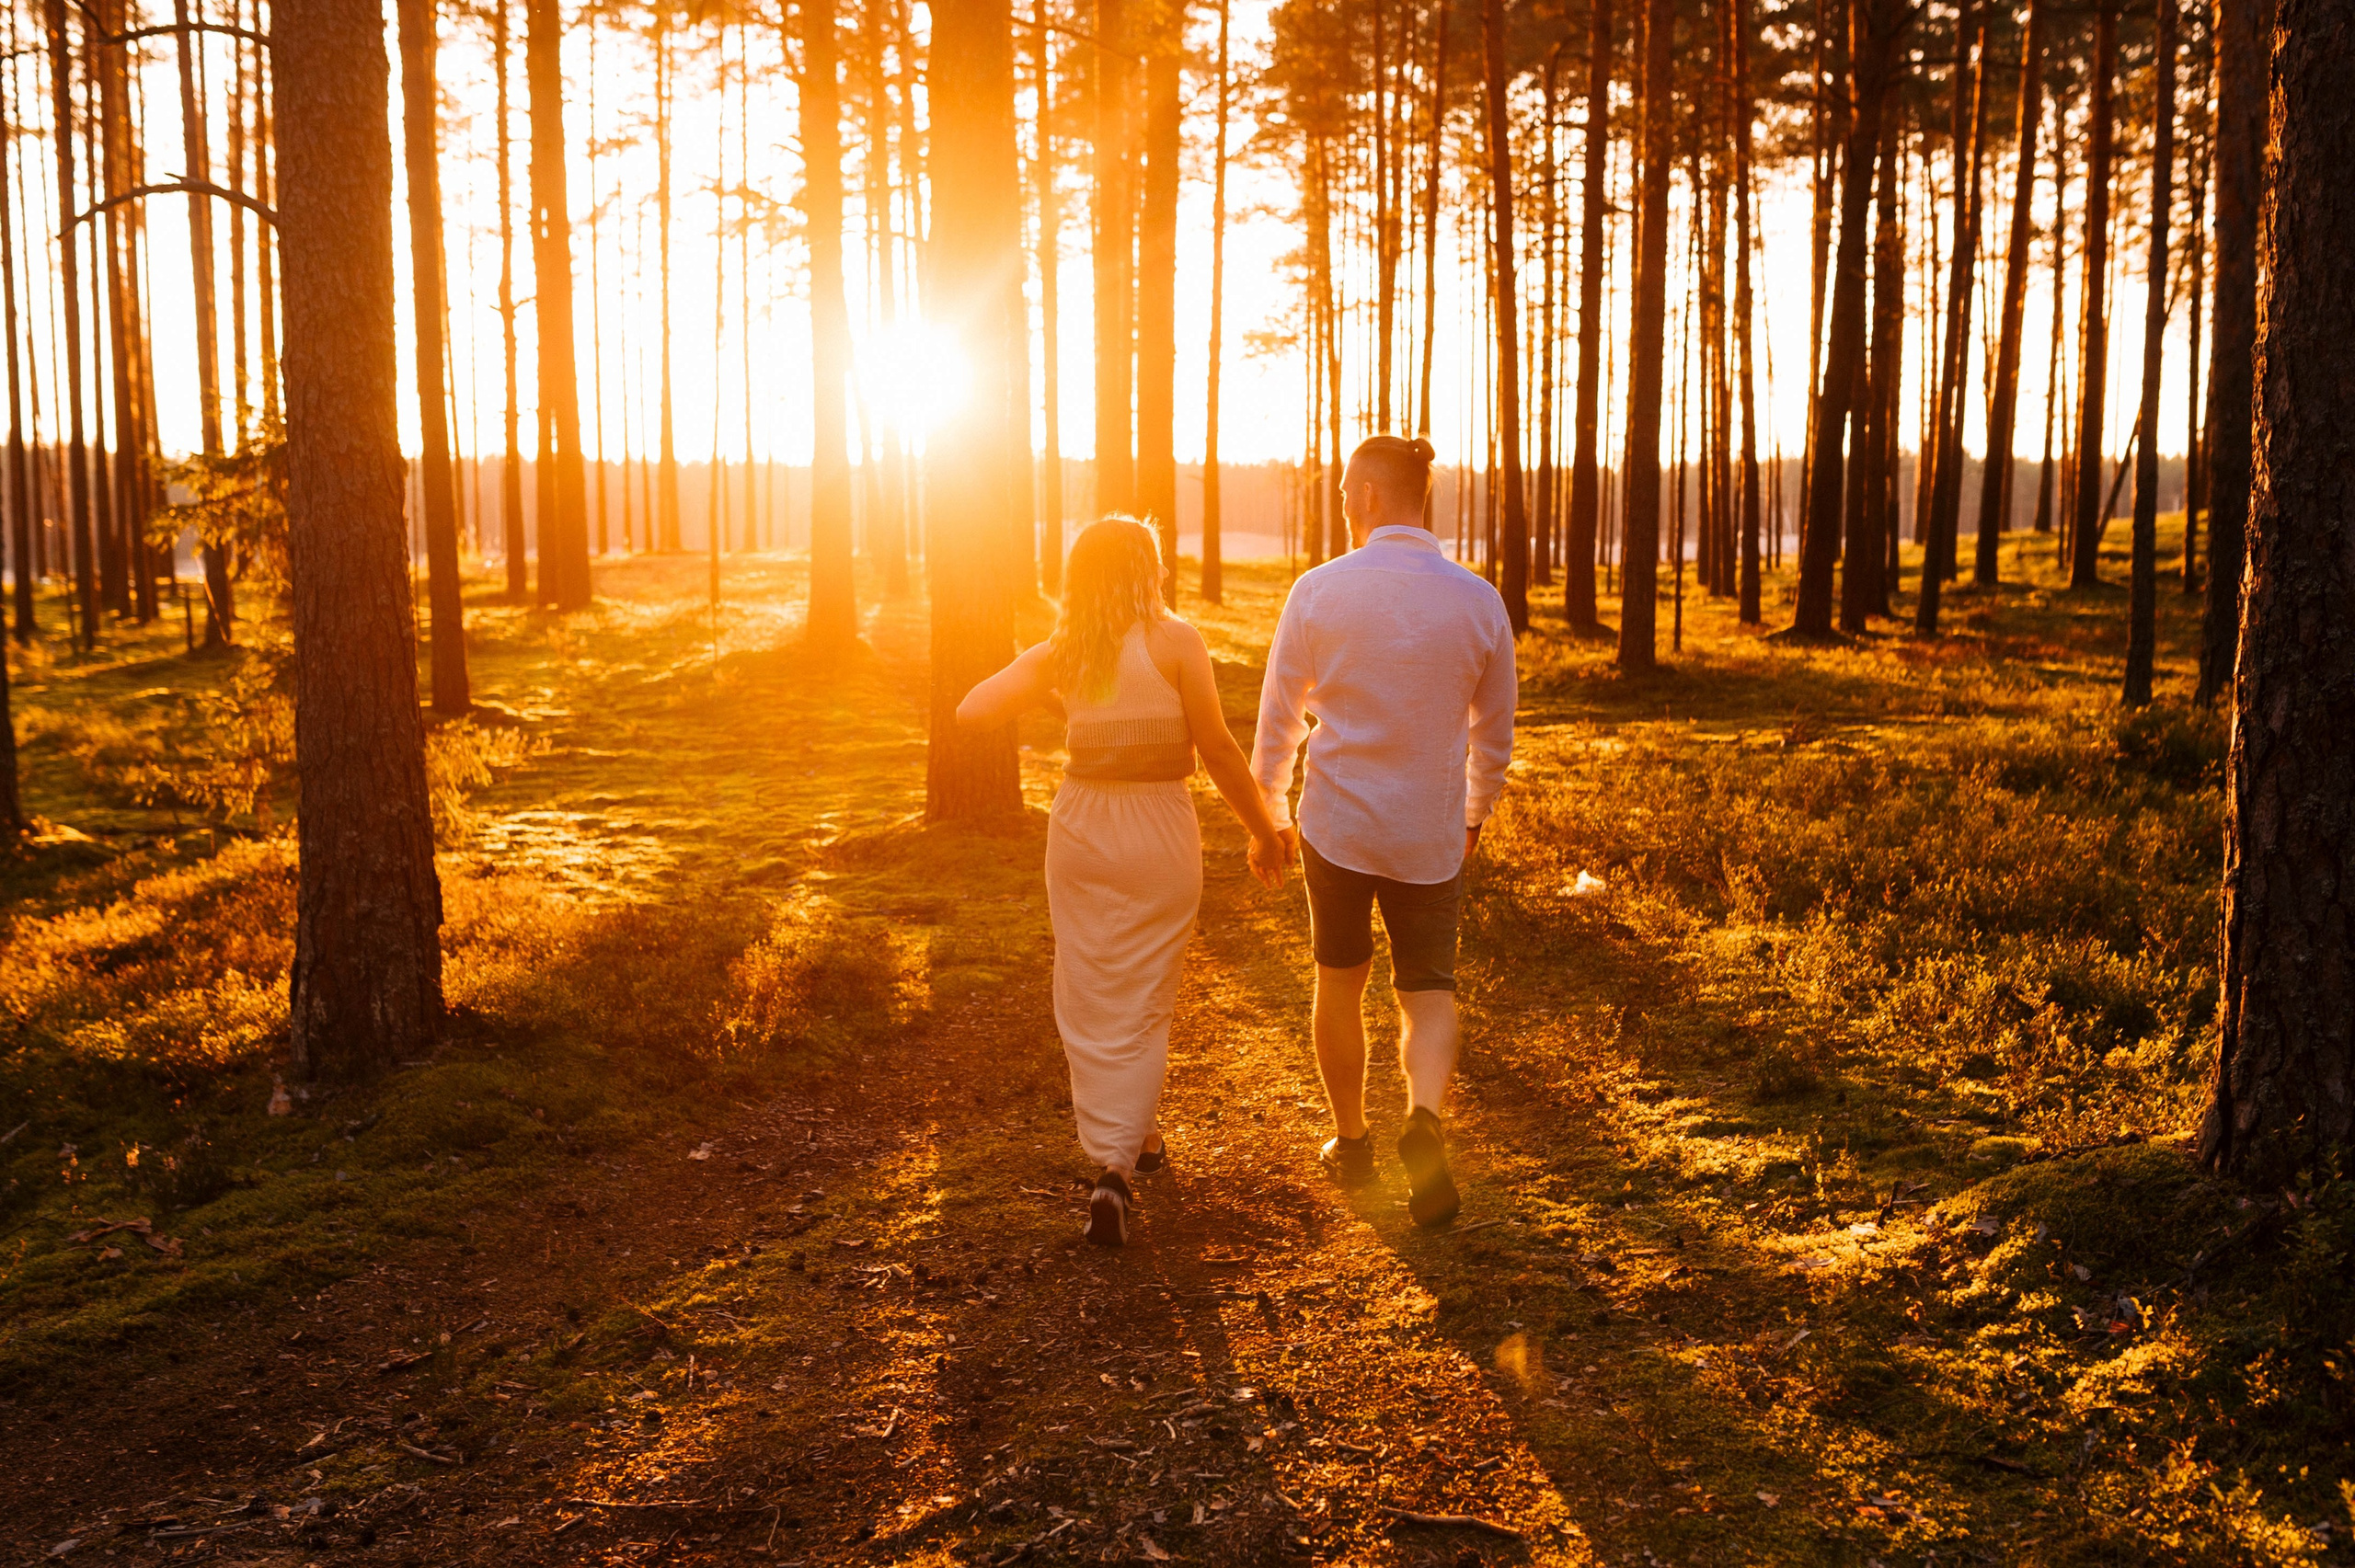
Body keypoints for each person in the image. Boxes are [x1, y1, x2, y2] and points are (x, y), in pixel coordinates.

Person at [958, 518, 1290, 1247]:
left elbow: (971, 707)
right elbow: (1220, 747)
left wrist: (1062, 697)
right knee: (1145, 998)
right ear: (1149, 570)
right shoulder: (1176, 642)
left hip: (1080, 830)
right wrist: (1264, 832)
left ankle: (1138, 1140)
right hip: (1159, 828)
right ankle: (1115, 1169)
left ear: (1079, 577)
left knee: (1092, 988)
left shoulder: (1063, 654)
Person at [1251, 435, 1517, 1227]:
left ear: (1368, 494)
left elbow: (1279, 717)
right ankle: (1424, 1117)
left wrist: (1269, 812)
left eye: (1342, 491)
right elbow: (1495, 734)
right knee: (1428, 990)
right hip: (1429, 832)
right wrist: (1473, 814)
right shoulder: (1477, 600)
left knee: (1341, 979)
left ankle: (1353, 1137)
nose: (1340, 504)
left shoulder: (1318, 590)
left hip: (1337, 826)